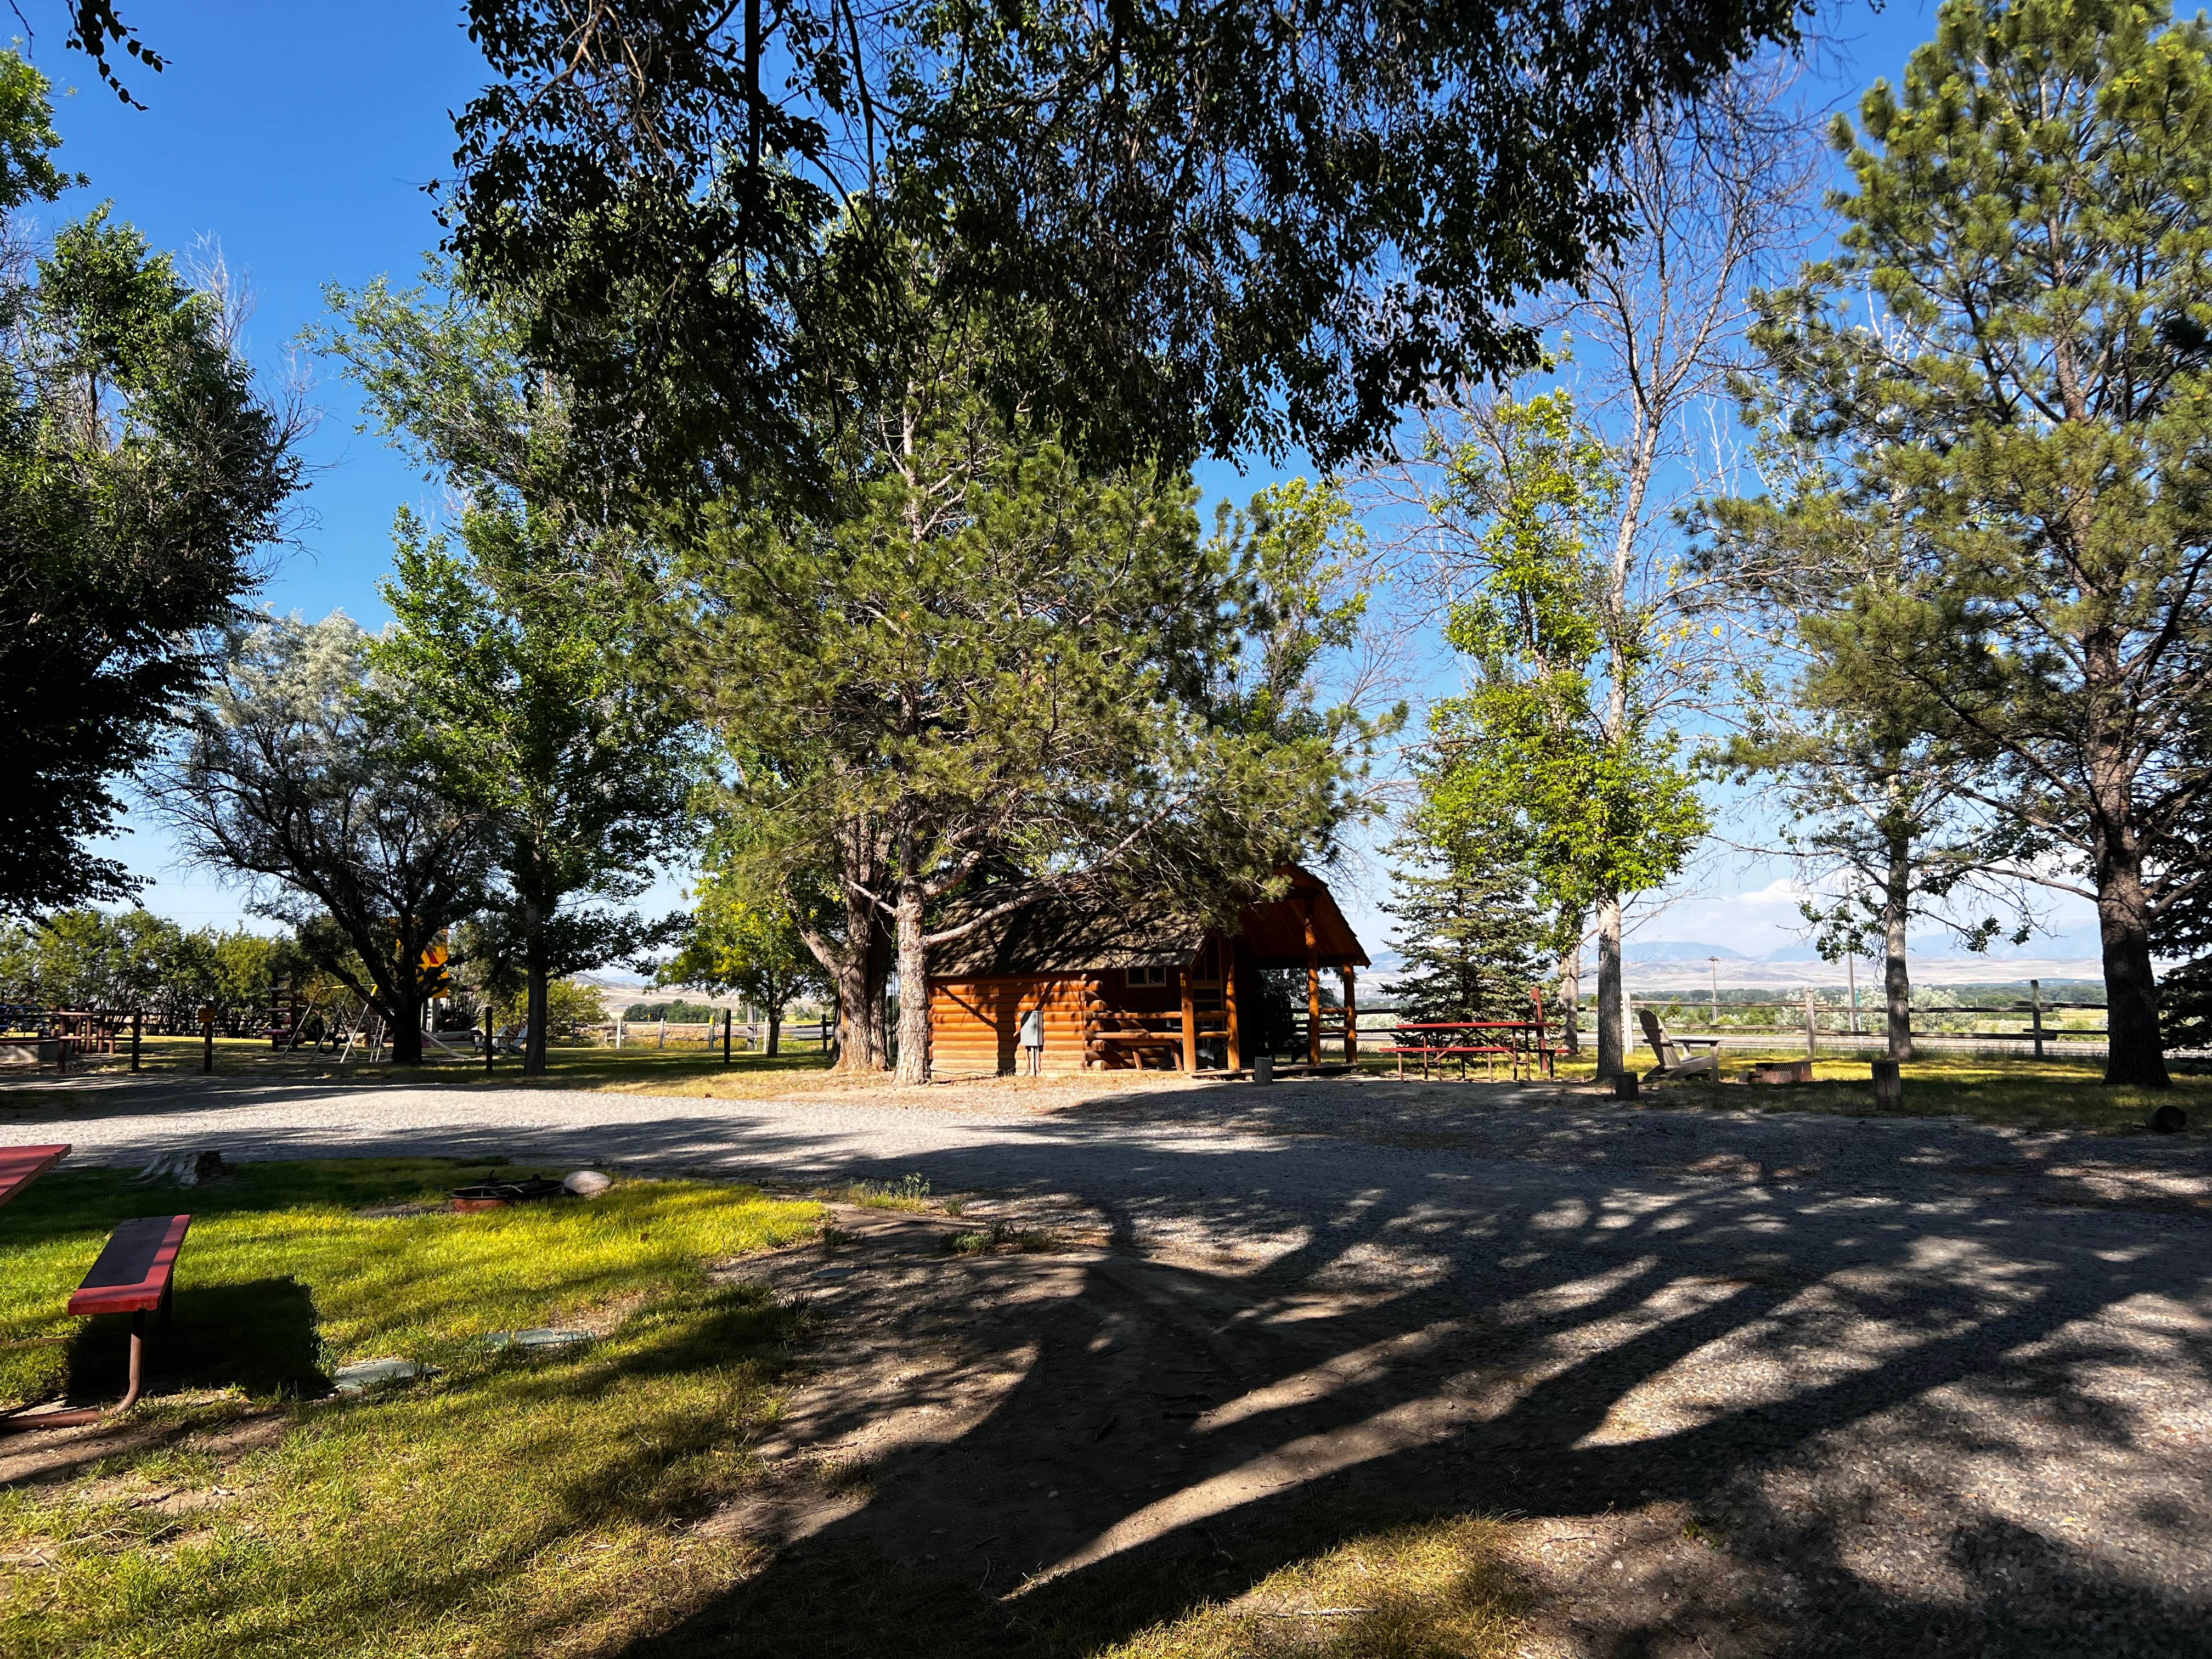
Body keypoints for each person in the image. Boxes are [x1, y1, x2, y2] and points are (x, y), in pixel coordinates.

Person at [1018, 1006, 1043, 1075]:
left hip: (1035, 1040)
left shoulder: (1038, 1015)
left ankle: (1035, 1071)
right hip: (1031, 1039)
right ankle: (1032, 1071)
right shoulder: (1026, 1015)